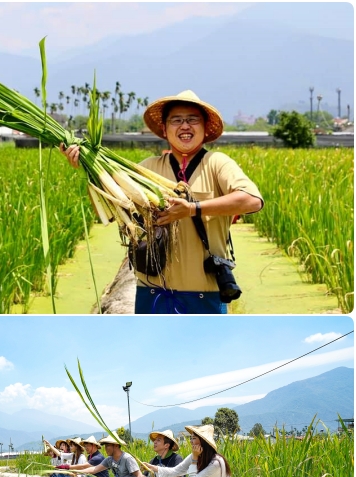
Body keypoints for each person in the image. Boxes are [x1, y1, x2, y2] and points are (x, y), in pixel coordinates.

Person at [62, 91, 264, 314]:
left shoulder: (217, 164)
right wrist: (89, 169)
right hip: (152, 294)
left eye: (192, 119)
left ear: (205, 128)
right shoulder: (146, 169)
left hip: (205, 295)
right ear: (165, 130)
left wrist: (192, 209)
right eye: (176, 120)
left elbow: (252, 200)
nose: (185, 126)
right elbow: (112, 212)